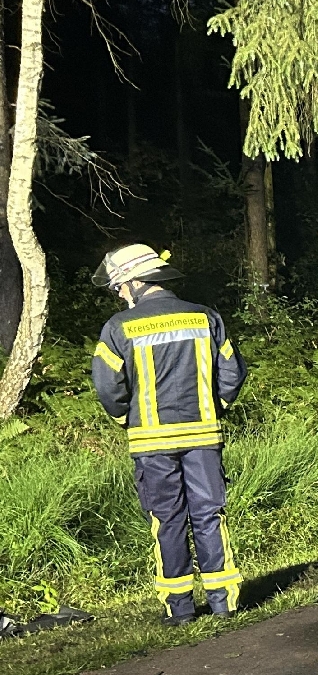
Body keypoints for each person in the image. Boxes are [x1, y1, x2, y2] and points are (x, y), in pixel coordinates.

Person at [90, 244, 247, 626]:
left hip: (151, 442)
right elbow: (233, 372)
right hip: (203, 436)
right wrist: (215, 407)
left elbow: (108, 388)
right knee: (209, 515)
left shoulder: (119, 328)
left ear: (135, 281)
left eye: (119, 286)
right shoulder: (205, 317)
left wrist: (125, 419)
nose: (119, 294)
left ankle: (180, 610)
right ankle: (223, 603)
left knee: (167, 520)